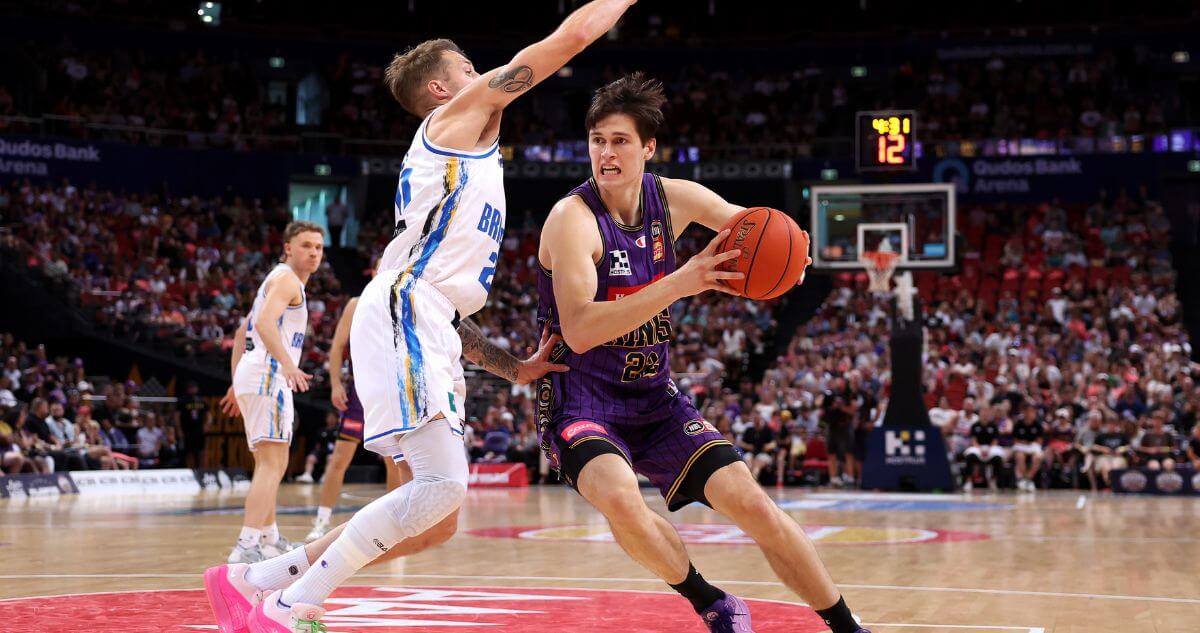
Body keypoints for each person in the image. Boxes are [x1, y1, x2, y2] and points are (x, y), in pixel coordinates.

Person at [210, 4, 625, 630]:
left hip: (430, 317)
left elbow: (452, 306)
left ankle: (253, 580)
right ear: (441, 88)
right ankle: (292, 605)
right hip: (405, 305)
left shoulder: (471, 154)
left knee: (437, 518)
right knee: (441, 487)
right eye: (468, 68)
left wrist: (514, 368)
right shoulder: (453, 118)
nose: (483, 72)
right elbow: (568, 38)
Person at [534, 73, 868, 633]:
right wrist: (681, 283)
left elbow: (750, 229)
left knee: (754, 504)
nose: (606, 152)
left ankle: (846, 626)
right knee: (619, 496)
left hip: (654, 396)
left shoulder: (676, 198)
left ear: (648, 148)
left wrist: (792, 252)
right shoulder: (572, 219)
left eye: (619, 140)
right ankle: (710, 599)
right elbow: (582, 328)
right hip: (578, 398)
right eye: (597, 140)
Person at [219, 220, 326, 565]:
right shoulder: (286, 280)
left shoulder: (278, 280)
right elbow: (263, 325)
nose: (313, 252)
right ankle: (246, 545)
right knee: (272, 463)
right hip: (269, 375)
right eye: (306, 245)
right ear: (288, 248)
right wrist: (289, 366)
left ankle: (268, 540)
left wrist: (237, 383)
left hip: (255, 374)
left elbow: (241, 332)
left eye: (319, 247)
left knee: (271, 463)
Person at [300, 297, 405, 542]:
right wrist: (336, 384)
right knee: (339, 459)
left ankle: (394, 527)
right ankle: (322, 521)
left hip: (390, 391)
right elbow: (337, 347)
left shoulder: (401, 300)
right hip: (359, 393)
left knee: (394, 462)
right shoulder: (357, 303)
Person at [963, 406, 1004, 492]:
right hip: (978, 447)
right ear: (980, 414)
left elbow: (995, 440)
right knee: (970, 456)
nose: (985, 414)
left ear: (989, 414)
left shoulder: (993, 426)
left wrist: (989, 449)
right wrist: (979, 448)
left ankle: (993, 480)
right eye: (983, 412)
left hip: (990, 447)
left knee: (998, 457)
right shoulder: (975, 425)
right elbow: (973, 440)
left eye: (986, 412)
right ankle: (968, 481)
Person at [1011, 405, 1045, 491]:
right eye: (1027, 411)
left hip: (1033, 446)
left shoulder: (1038, 425)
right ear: (1023, 412)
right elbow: (1015, 441)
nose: (1028, 414)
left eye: (1031, 412)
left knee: (1037, 457)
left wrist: (1029, 444)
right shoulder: (1018, 424)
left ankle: (1028, 479)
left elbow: (1040, 441)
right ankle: (1022, 479)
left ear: (1034, 413)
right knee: (1020, 456)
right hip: (1021, 447)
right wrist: (1024, 443)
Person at [177, 380, 211, 468]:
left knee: (202, 451)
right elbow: (176, 415)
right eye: (191, 388)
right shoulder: (183, 400)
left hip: (199, 429)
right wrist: (179, 429)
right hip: (187, 429)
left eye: (194, 388)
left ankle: (202, 470)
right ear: (187, 389)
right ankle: (191, 470)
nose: (193, 390)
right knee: (189, 451)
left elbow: (208, 415)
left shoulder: (201, 400)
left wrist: (207, 424)